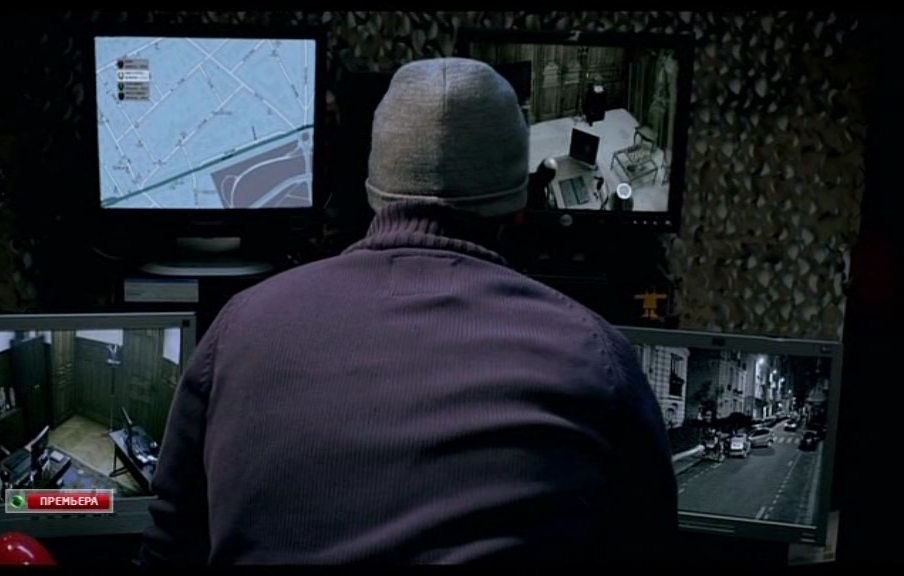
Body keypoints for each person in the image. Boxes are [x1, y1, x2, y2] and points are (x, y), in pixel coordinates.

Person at [140, 57, 677, 566]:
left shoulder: (238, 330)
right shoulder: (597, 356)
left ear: (374, 192)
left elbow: (170, 546)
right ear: (520, 206)